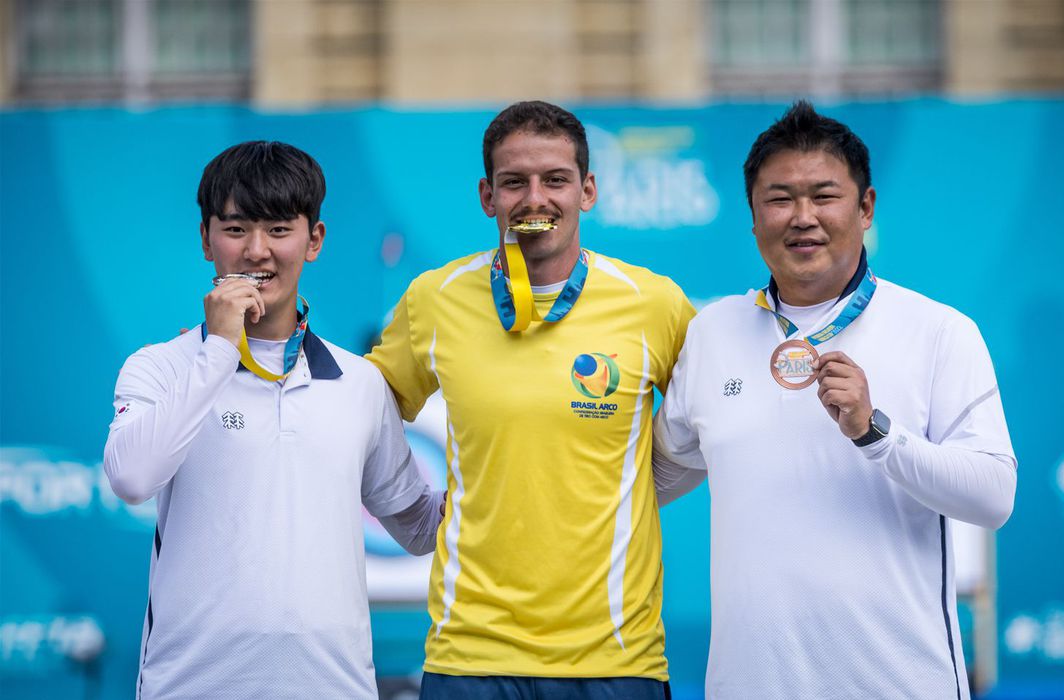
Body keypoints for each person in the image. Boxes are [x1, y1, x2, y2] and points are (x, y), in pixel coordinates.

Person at [652, 101, 1017, 699]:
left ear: (866, 207)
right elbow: (652, 478)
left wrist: (877, 434)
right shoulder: (712, 331)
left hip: (898, 685)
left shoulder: (939, 331)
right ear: (752, 216)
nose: (802, 218)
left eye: (824, 196)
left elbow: (993, 497)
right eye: (779, 199)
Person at [366, 101, 694, 699]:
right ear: (487, 195)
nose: (535, 198)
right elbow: (360, 414)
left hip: (616, 663)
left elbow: (711, 421)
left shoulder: (653, 303)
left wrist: (638, 488)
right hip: (469, 655)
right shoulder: (434, 299)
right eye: (515, 182)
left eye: (556, 180)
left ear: (587, 190)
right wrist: (412, 515)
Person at [103, 141, 442, 699]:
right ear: (206, 239)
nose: (257, 252)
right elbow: (131, 478)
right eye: (236, 229)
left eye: (280, 230)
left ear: (315, 240)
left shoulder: (360, 383)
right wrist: (218, 350)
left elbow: (416, 527)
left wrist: (498, 480)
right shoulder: (160, 367)